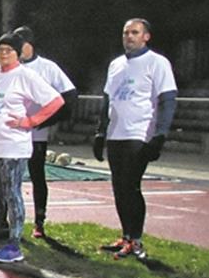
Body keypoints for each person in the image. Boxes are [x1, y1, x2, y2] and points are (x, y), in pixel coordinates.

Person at [0, 32, 63, 264]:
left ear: (18, 53)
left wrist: (29, 122)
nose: (4, 54)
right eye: (0, 49)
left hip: (13, 148)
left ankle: (14, 243)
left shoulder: (26, 76)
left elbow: (56, 101)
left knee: (12, 194)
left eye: (9, 50)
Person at [93, 18, 178, 261]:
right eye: (126, 32)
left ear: (146, 36)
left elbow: (167, 100)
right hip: (116, 133)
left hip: (139, 133)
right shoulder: (116, 65)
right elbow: (107, 99)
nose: (129, 36)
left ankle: (136, 239)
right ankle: (125, 235)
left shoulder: (157, 63)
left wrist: (160, 134)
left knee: (131, 185)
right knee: (118, 186)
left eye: (134, 32)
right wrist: (101, 132)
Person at [12, 26, 78, 239]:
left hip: (36, 134)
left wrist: (48, 120)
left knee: (37, 176)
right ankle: (8, 219)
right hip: (12, 133)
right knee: (10, 178)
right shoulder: (11, 68)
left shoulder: (48, 67)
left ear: (29, 45)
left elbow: (70, 95)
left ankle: (39, 221)